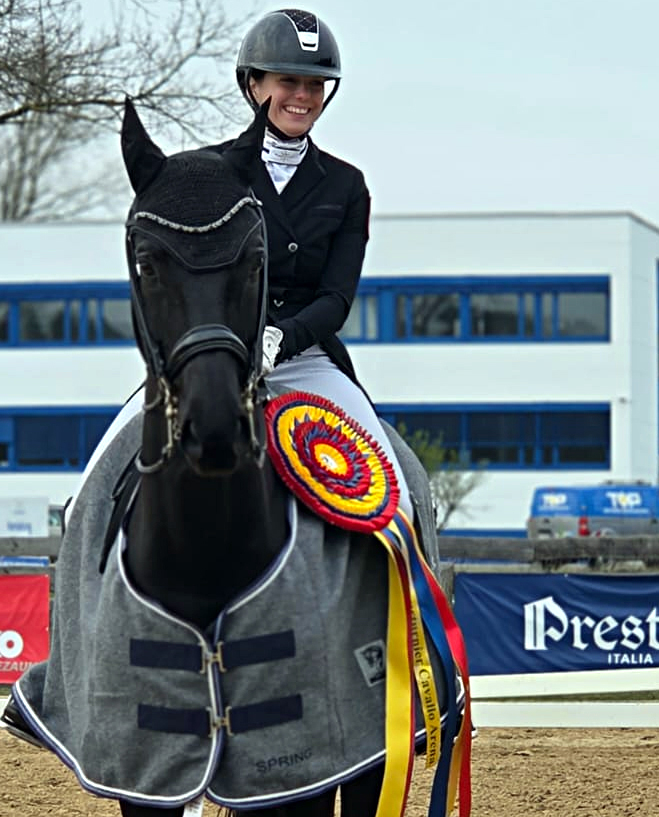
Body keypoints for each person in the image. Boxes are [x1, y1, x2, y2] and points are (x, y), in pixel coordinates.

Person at [78, 7, 412, 523]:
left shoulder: (346, 186)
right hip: (213, 358)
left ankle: (413, 585)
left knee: (394, 481)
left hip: (305, 359)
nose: (303, 96)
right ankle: (77, 591)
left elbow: (337, 299)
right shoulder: (207, 174)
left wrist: (281, 339)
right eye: (289, 82)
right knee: (98, 478)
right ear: (254, 85)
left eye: (315, 85)